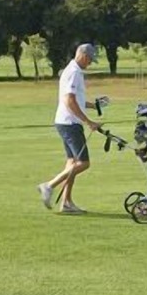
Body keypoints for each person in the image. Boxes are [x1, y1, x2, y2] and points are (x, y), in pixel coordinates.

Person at [38, 43, 104, 214]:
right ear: (83, 55)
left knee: (72, 163)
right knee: (83, 163)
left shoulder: (74, 71)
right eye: (90, 59)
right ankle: (49, 186)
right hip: (70, 124)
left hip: (66, 122)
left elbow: (76, 100)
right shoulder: (74, 72)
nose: (90, 63)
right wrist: (89, 122)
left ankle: (66, 203)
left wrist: (94, 105)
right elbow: (69, 101)